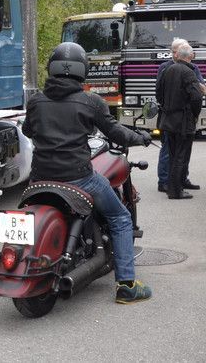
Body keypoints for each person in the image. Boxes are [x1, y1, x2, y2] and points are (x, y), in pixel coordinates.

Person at [23, 41, 153, 304]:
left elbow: (28, 130)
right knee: (121, 217)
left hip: (39, 178)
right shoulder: (90, 101)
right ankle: (127, 285)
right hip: (78, 177)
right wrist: (141, 137)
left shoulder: (36, 101)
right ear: (83, 70)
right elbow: (116, 132)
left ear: (51, 68)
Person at [157, 38, 205, 193]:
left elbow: (158, 92)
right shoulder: (188, 71)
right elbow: (197, 96)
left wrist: (168, 107)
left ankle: (176, 183)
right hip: (183, 120)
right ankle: (174, 187)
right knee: (179, 155)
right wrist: (194, 114)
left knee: (174, 154)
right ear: (189, 56)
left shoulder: (167, 70)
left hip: (168, 118)